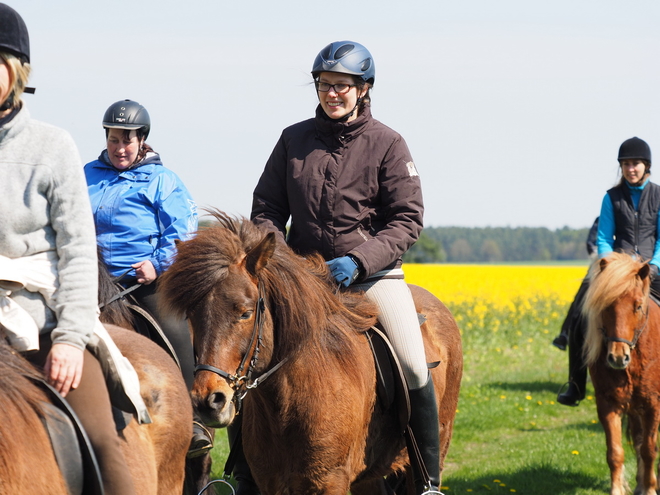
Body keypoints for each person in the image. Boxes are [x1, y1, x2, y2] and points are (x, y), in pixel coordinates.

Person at [250, 40, 440, 495]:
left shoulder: (388, 143)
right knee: (254, 360)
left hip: (372, 276)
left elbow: (407, 219)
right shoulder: (292, 139)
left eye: (342, 86)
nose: (332, 93)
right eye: (325, 85)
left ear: (364, 88)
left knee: (413, 365)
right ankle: (245, 471)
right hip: (301, 281)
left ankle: (427, 476)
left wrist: (359, 261)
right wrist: (286, 265)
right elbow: (266, 209)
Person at [0, 4, 137, 493]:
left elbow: (79, 251)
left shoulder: (51, 146)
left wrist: (70, 340)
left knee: (106, 454)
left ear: (15, 70)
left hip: (45, 320)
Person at [83, 99, 213, 456]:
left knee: (173, 331)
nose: (120, 147)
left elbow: (183, 231)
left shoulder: (163, 180)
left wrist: (157, 264)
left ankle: (192, 421)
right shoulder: (86, 175)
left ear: (142, 140)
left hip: (143, 282)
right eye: (114, 139)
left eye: (127, 140)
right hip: (91, 278)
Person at [558, 136, 660, 406]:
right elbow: (604, 237)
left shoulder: (658, 195)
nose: (631, 169)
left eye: (635, 163)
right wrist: (608, 266)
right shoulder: (611, 198)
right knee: (581, 316)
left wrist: (655, 266)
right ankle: (576, 385)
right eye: (625, 164)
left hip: (652, 269)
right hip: (616, 270)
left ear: (646, 166)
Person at [551, 216, 599, 351]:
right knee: (580, 298)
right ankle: (565, 334)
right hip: (600, 264)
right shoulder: (601, 219)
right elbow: (590, 243)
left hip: (629, 264)